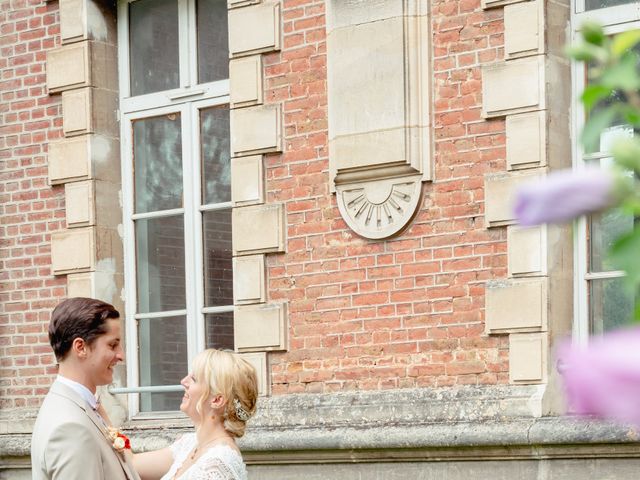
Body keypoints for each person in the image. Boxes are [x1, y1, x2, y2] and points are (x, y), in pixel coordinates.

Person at [31, 297, 139, 480]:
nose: (121, 355)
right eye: (113, 345)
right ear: (80, 347)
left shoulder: (78, 408)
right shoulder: (70, 427)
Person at [131, 349, 258, 480]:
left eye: (194, 379)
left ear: (217, 400)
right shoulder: (190, 444)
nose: (183, 381)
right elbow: (131, 463)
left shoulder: (217, 466)